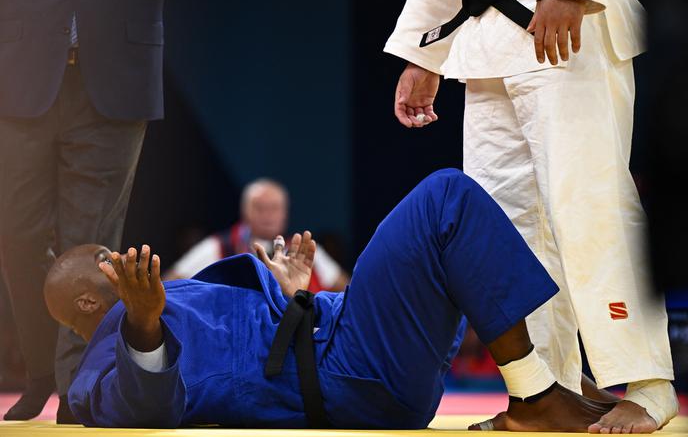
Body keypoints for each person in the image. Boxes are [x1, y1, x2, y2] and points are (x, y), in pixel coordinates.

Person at [45, 169, 617, 430]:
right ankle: (534, 397)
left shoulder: (167, 296)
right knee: (445, 199)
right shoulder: (99, 365)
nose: (118, 257)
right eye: (105, 258)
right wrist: (142, 327)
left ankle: (548, 380)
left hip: (345, 347)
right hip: (349, 372)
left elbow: (253, 340)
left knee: (454, 231)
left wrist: (290, 292)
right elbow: (147, 411)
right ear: (88, 302)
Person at [384, 0, 678, 432]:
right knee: (504, 229)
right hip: (486, 40)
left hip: (565, 13)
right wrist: (424, 53)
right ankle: (547, 392)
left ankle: (649, 383)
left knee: (591, 205)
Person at [0, 0, 168, 422]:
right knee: (18, 239)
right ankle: (40, 373)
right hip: (18, 66)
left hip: (120, 70)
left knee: (92, 247)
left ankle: (78, 382)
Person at [167, 178, 350, 293]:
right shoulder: (219, 246)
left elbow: (347, 289)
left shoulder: (304, 249)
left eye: (274, 208)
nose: (268, 215)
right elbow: (168, 285)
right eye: (260, 208)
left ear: (285, 213)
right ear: (244, 212)